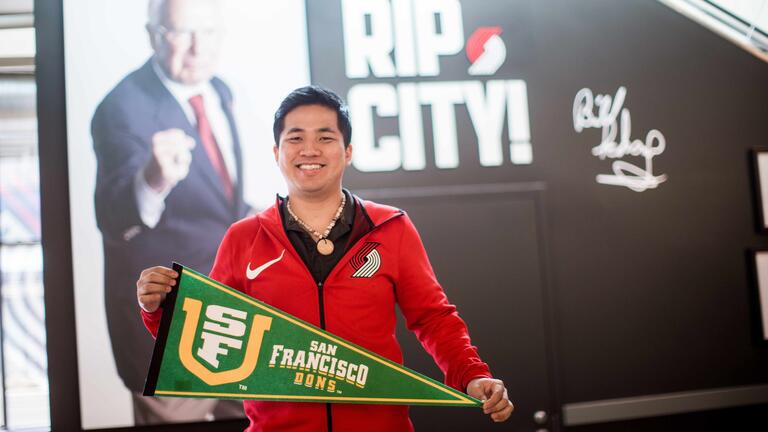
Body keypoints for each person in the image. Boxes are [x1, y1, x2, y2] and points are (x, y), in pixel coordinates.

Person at [136, 86, 514, 431]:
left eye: (325, 137)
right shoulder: (244, 237)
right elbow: (207, 334)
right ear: (277, 153)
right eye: (295, 138)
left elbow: (433, 319)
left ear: (347, 151)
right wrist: (159, 308)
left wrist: (471, 375)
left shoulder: (391, 227)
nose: (309, 150)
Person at [92, 0, 248, 424]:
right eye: (181, 33)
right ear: (153, 35)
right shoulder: (121, 108)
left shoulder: (219, 90)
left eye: (209, 33)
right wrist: (153, 180)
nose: (198, 48)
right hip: (169, 334)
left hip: (237, 322)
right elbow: (113, 217)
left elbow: (218, 208)